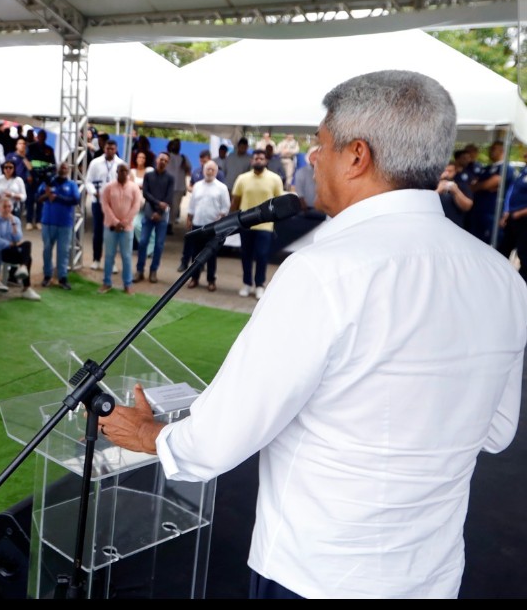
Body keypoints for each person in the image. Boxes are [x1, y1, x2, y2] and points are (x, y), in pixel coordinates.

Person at [100, 70, 527, 599]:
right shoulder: (500, 278)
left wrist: (146, 435)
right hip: (430, 576)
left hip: (316, 573)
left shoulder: (323, 271)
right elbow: (498, 430)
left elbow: (216, 439)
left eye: (319, 144)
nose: (310, 159)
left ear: (356, 156)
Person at [232, 149, 284, 298]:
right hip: (246, 223)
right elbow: (235, 201)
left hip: (265, 225)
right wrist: (232, 219)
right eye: (256, 158)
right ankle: (247, 283)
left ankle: (260, 284)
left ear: (266, 161)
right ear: (251, 161)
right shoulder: (242, 178)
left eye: (261, 158)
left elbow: (278, 202)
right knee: (246, 255)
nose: (258, 160)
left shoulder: (274, 179)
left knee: (261, 255)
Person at [184, 161, 231, 291]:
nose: (209, 171)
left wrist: (220, 220)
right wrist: (189, 219)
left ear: (216, 172)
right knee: (195, 254)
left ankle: (211, 280)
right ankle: (194, 278)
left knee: (211, 255)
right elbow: (192, 205)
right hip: (197, 225)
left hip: (213, 227)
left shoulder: (221, 188)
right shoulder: (197, 186)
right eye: (207, 169)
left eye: (212, 169)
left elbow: (226, 207)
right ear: (203, 170)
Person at [0, 197, 40, 300]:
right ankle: (26, 288)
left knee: (27, 244)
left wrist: (13, 224)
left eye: (9, 206)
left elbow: (18, 238)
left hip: (12, 250)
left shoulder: (15, 220)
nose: (7, 209)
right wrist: (11, 243)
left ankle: (23, 269)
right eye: (4, 207)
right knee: (28, 257)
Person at [98, 164, 141, 294]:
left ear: (128, 172)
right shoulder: (109, 187)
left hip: (127, 228)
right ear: (117, 172)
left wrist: (124, 222)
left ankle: (127, 284)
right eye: (120, 171)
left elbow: (136, 206)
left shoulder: (134, 188)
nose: (123, 173)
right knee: (109, 255)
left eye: (125, 171)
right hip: (110, 227)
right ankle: (107, 282)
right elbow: (105, 205)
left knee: (127, 256)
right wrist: (116, 222)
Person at [36, 162, 79, 290]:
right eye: (61, 167)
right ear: (57, 169)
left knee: (63, 251)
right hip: (48, 222)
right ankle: (47, 275)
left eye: (66, 168)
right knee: (47, 249)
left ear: (68, 171)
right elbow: (38, 198)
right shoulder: (48, 182)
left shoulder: (72, 185)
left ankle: (62, 277)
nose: (63, 169)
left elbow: (75, 200)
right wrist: (47, 195)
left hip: (65, 223)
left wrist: (57, 197)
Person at [135, 153, 175, 284]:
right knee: (142, 242)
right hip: (149, 213)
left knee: (159, 245)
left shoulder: (170, 178)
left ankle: (153, 271)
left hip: (162, 216)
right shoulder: (148, 175)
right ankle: (140, 270)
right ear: (157, 160)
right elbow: (146, 193)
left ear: (167, 163)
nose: (162, 161)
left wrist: (159, 211)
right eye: (161, 159)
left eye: (165, 160)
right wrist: (158, 205)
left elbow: (169, 197)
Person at [85, 139, 121, 270]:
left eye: (112, 149)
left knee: (112, 233)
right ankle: (96, 259)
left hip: (114, 204)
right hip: (98, 202)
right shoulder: (95, 163)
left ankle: (111, 262)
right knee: (98, 232)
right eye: (107, 148)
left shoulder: (120, 164)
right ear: (104, 148)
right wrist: (94, 192)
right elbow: (88, 181)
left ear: (116, 149)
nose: (110, 151)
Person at [498, 162, 527, 284]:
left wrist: (521, 213)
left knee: (524, 255)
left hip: (523, 218)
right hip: (512, 217)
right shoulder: (523, 170)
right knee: (502, 250)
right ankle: (500, 279)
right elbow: (511, 191)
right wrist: (506, 211)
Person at [437, 162, 473, 228]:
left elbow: (467, 207)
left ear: (455, 172)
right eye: (444, 170)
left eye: (450, 171)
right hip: (434, 224)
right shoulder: (430, 184)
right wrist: (438, 191)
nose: (446, 174)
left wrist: (456, 191)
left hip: (454, 226)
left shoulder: (462, 186)